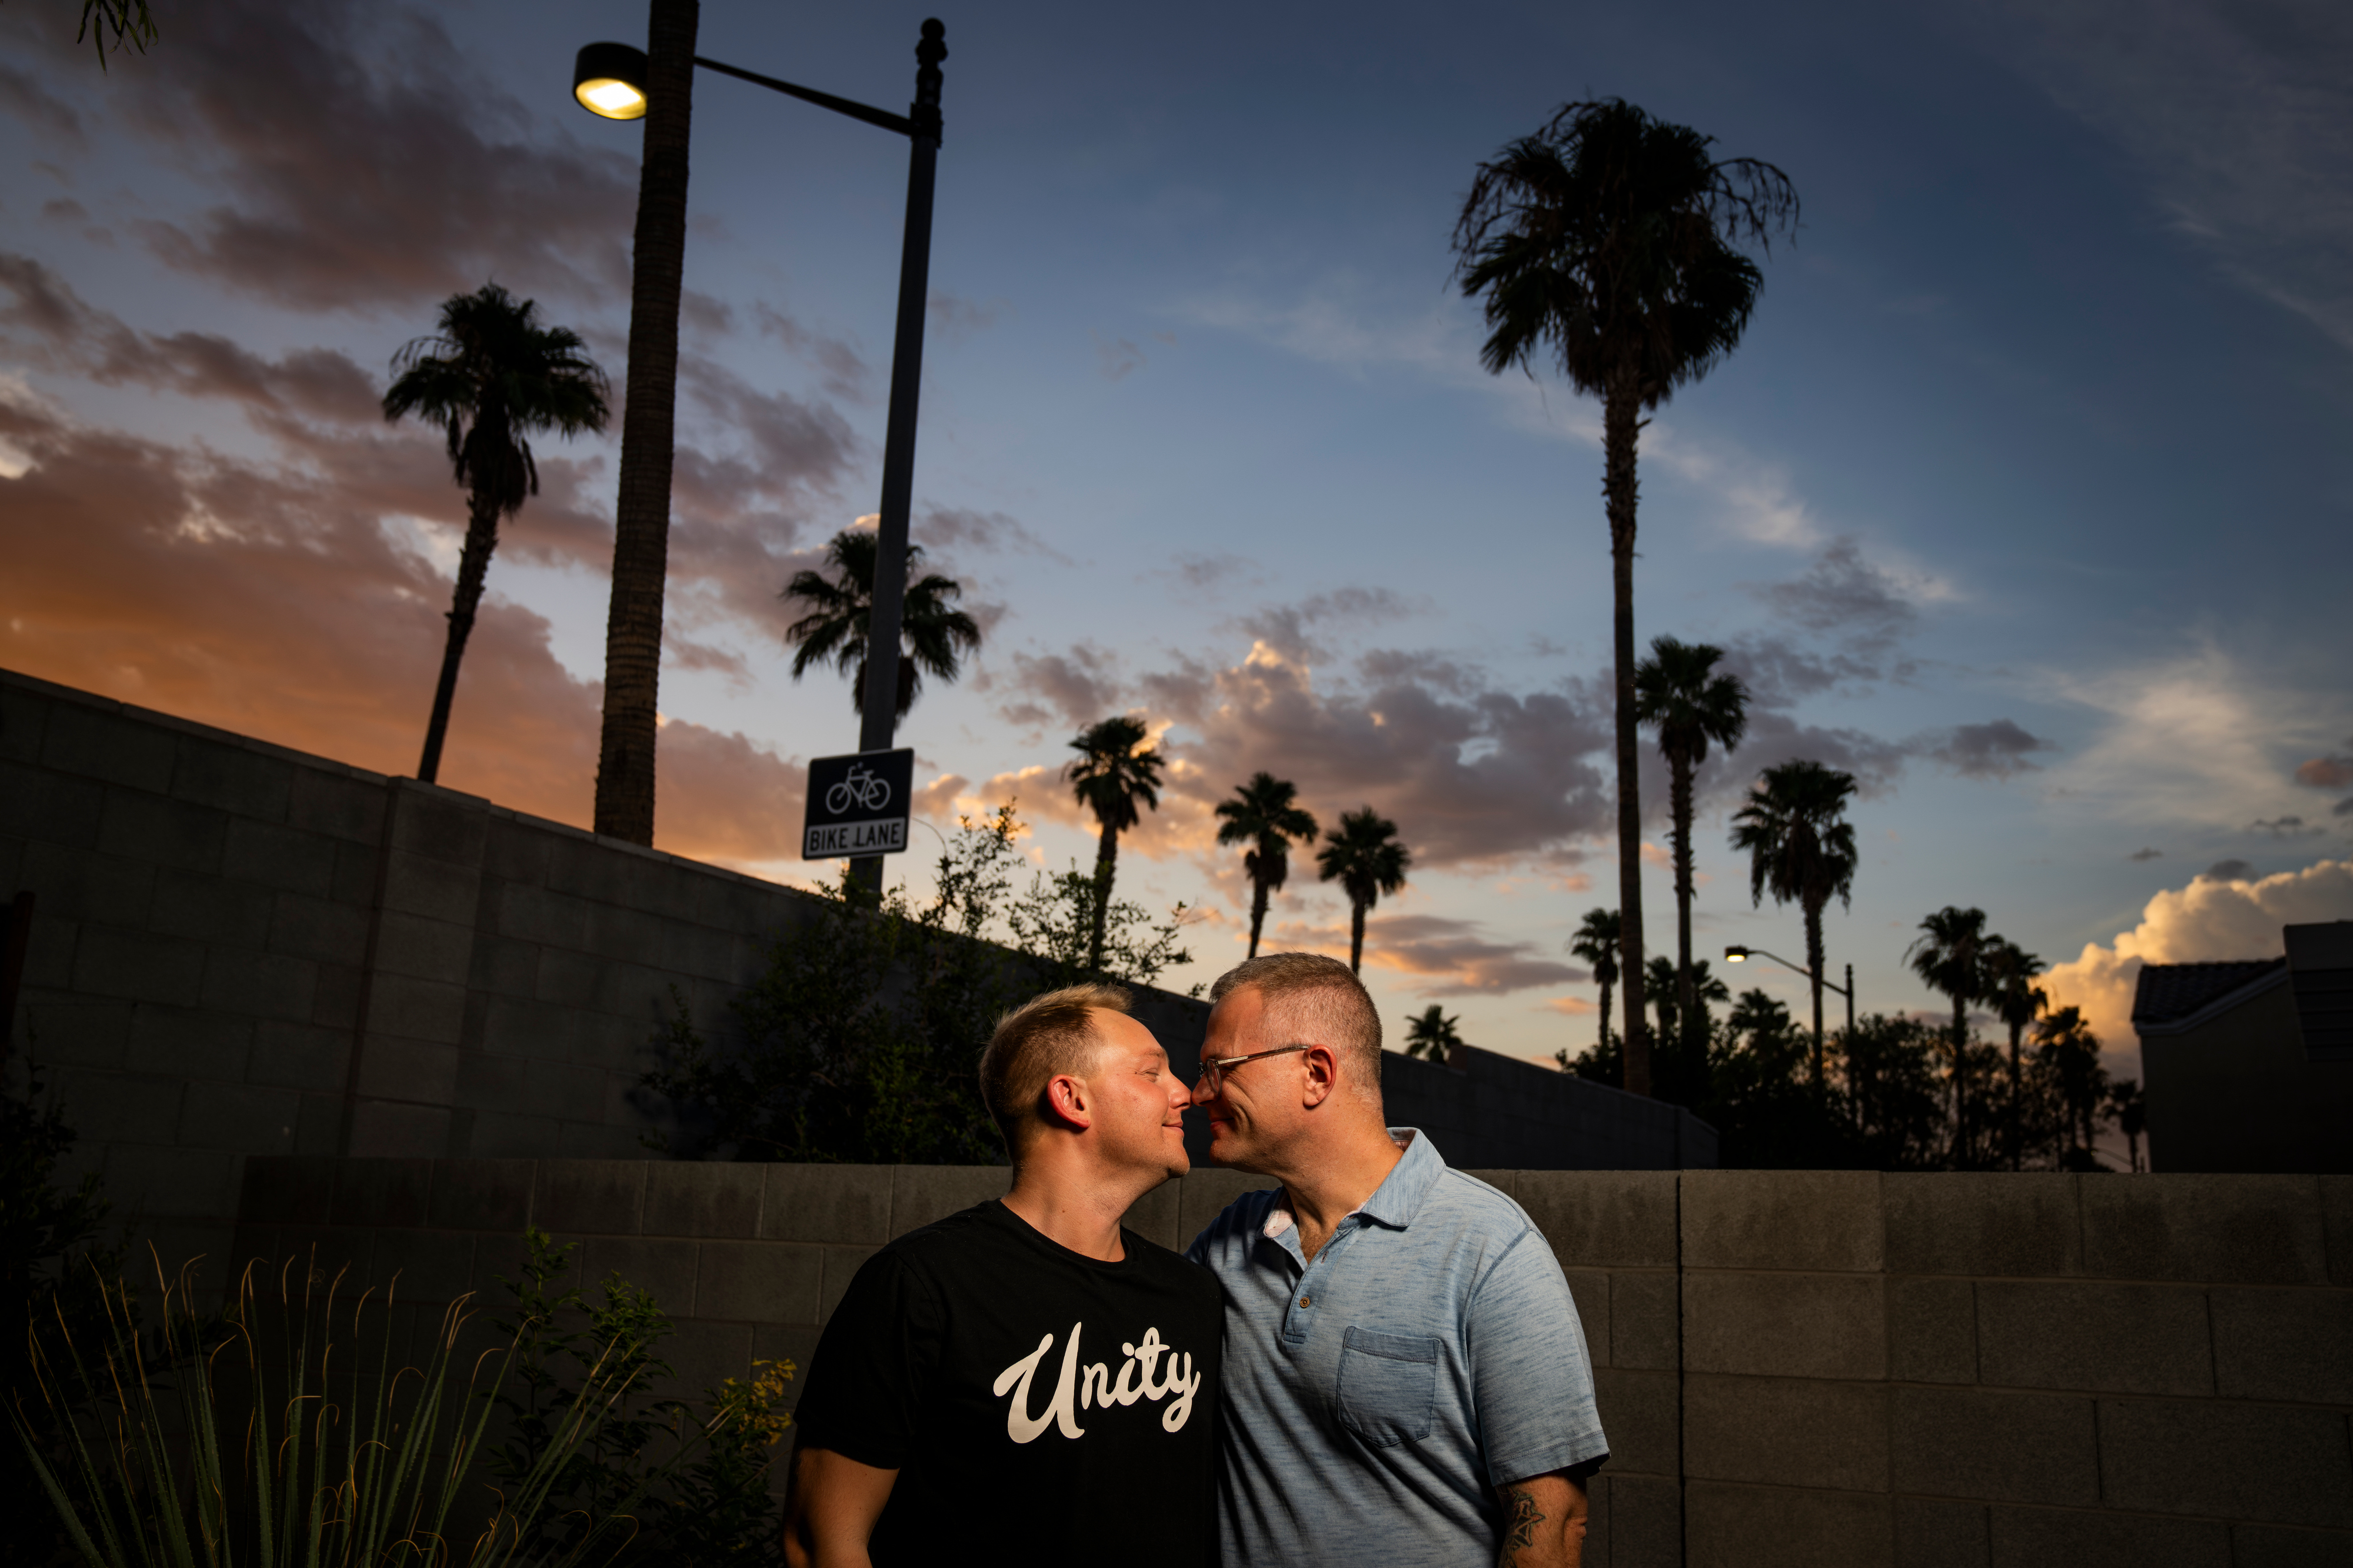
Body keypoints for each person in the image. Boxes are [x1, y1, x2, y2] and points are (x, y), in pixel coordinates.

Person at [1186, 952, 1608, 1567]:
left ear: (1316, 1072)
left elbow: (1552, 1520)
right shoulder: (1227, 1241)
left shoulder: (1490, 1246)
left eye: (1218, 1068)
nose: (1199, 1092)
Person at [783, 982, 1221, 1568]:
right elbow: (821, 1543)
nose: (1184, 1093)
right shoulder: (919, 1284)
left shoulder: (1189, 1295)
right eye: (1151, 1072)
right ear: (1072, 1098)